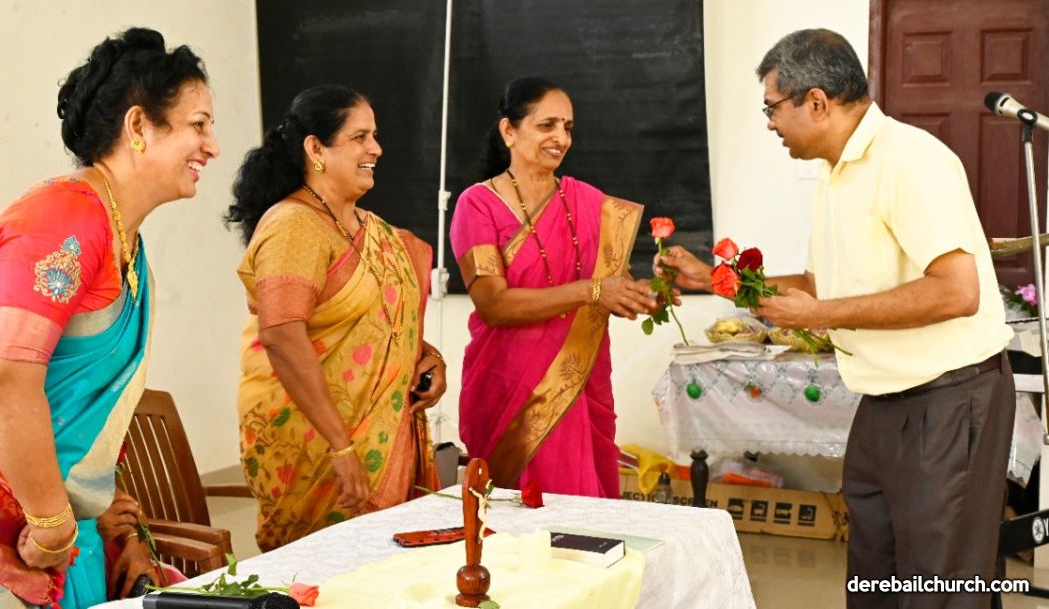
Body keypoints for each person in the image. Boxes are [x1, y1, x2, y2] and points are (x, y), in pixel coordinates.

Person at [0, 27, 220, 607]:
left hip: (49, 529)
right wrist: (53, 525)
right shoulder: (64, 218)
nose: (212, 146)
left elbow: (87, 415)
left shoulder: (124, 242)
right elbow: (3, 376)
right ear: (138, 126)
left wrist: (104, 520)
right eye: (198, 125)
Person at [659, 29, 1014, 609]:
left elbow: (957, 292)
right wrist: (713, 280)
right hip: (883, 403)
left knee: (939, 586)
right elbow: (816, 288)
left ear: (817, 102)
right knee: (874, 580)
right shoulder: (837, 175)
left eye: (773, 108)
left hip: (949, 398)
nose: (770, 124)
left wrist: (822, 313)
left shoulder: (910, 160)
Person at [226, 85, 447, 551]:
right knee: (324, 574)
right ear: (316, 149)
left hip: (381, 440)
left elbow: (382, 322)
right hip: (316, 448)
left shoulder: (377, 232)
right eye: (360, 137)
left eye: (375, 136)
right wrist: (341, 446)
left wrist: (427, 357)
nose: (376, 149)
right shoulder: (294, 225)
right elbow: (282, 335)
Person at [449, 77, 660, 497]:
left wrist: (648, 292)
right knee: (520, 521)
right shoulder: (478, 204)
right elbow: (494, 304)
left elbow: (610, 285)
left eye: (567, 127)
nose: (561, 138)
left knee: (580, 517)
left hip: (578, 384)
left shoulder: (589, 203)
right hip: (510, 389)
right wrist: (591, 291)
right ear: (509, 130)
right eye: (547, 125)